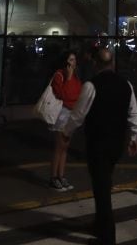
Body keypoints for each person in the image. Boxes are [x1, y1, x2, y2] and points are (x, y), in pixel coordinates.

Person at [62, 48, 137, 245]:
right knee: (103, 184)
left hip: (98, 143)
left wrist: (66, 133)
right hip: (117, 143)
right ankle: (99, 224)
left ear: (95, 64)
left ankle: (107, 237)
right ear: (112, 63)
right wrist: (133, 137)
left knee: (101, 188)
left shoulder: (91, 86)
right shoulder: (126, 85)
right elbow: (133, 113)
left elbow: (78, 115)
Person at [48, 51, 82, 191]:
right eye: (69, 60)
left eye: (73, 60)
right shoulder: (60, 75)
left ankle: (61, 176)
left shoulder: (76, 77)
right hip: (62, 113)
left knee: (65, 147)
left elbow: (77, 94)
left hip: (71, 113)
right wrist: (67, 78)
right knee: (60, 146)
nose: (71, 63)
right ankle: (54, 177)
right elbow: (63, 94)